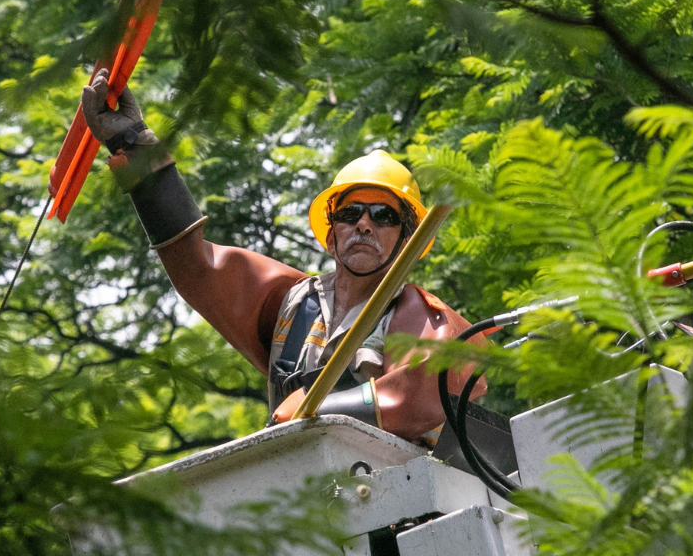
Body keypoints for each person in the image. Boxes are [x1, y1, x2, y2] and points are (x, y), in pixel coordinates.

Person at [81, 72, 486, 441]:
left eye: (383, 216)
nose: (364, 225)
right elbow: (197, 268)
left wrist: (319, 408)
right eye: (350, 213)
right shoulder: (294, 302)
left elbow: (436, 387)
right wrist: (133, 146)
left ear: (406, 240)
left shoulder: (418, 314)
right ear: (331, 235)